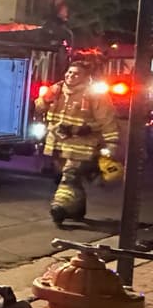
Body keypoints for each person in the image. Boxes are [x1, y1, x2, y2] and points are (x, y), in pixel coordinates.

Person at [36, 61, 119, 226]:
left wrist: (111, 143)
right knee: (69, 178)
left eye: (75, 73)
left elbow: (107, 120)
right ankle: (77, 209)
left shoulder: (96, 95)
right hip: (58, 144)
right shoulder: (57, 90)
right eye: (69, 72)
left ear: (86, 77)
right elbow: (39, 108)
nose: (70, 76)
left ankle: (59, 208)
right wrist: (44, 100)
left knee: (69, 176)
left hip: (83, 145)